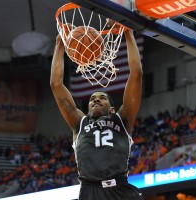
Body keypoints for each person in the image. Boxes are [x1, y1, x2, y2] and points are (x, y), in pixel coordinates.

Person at [50, 27, 143, 200]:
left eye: (102, 98)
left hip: (120, 190)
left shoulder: (123, 120)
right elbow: (56, 84)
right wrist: (59, 44)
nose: (96, 100)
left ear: (112, 109)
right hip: (90, 191)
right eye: (93, 99)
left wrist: (128, 33)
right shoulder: (80, 123)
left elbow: (136, 74)